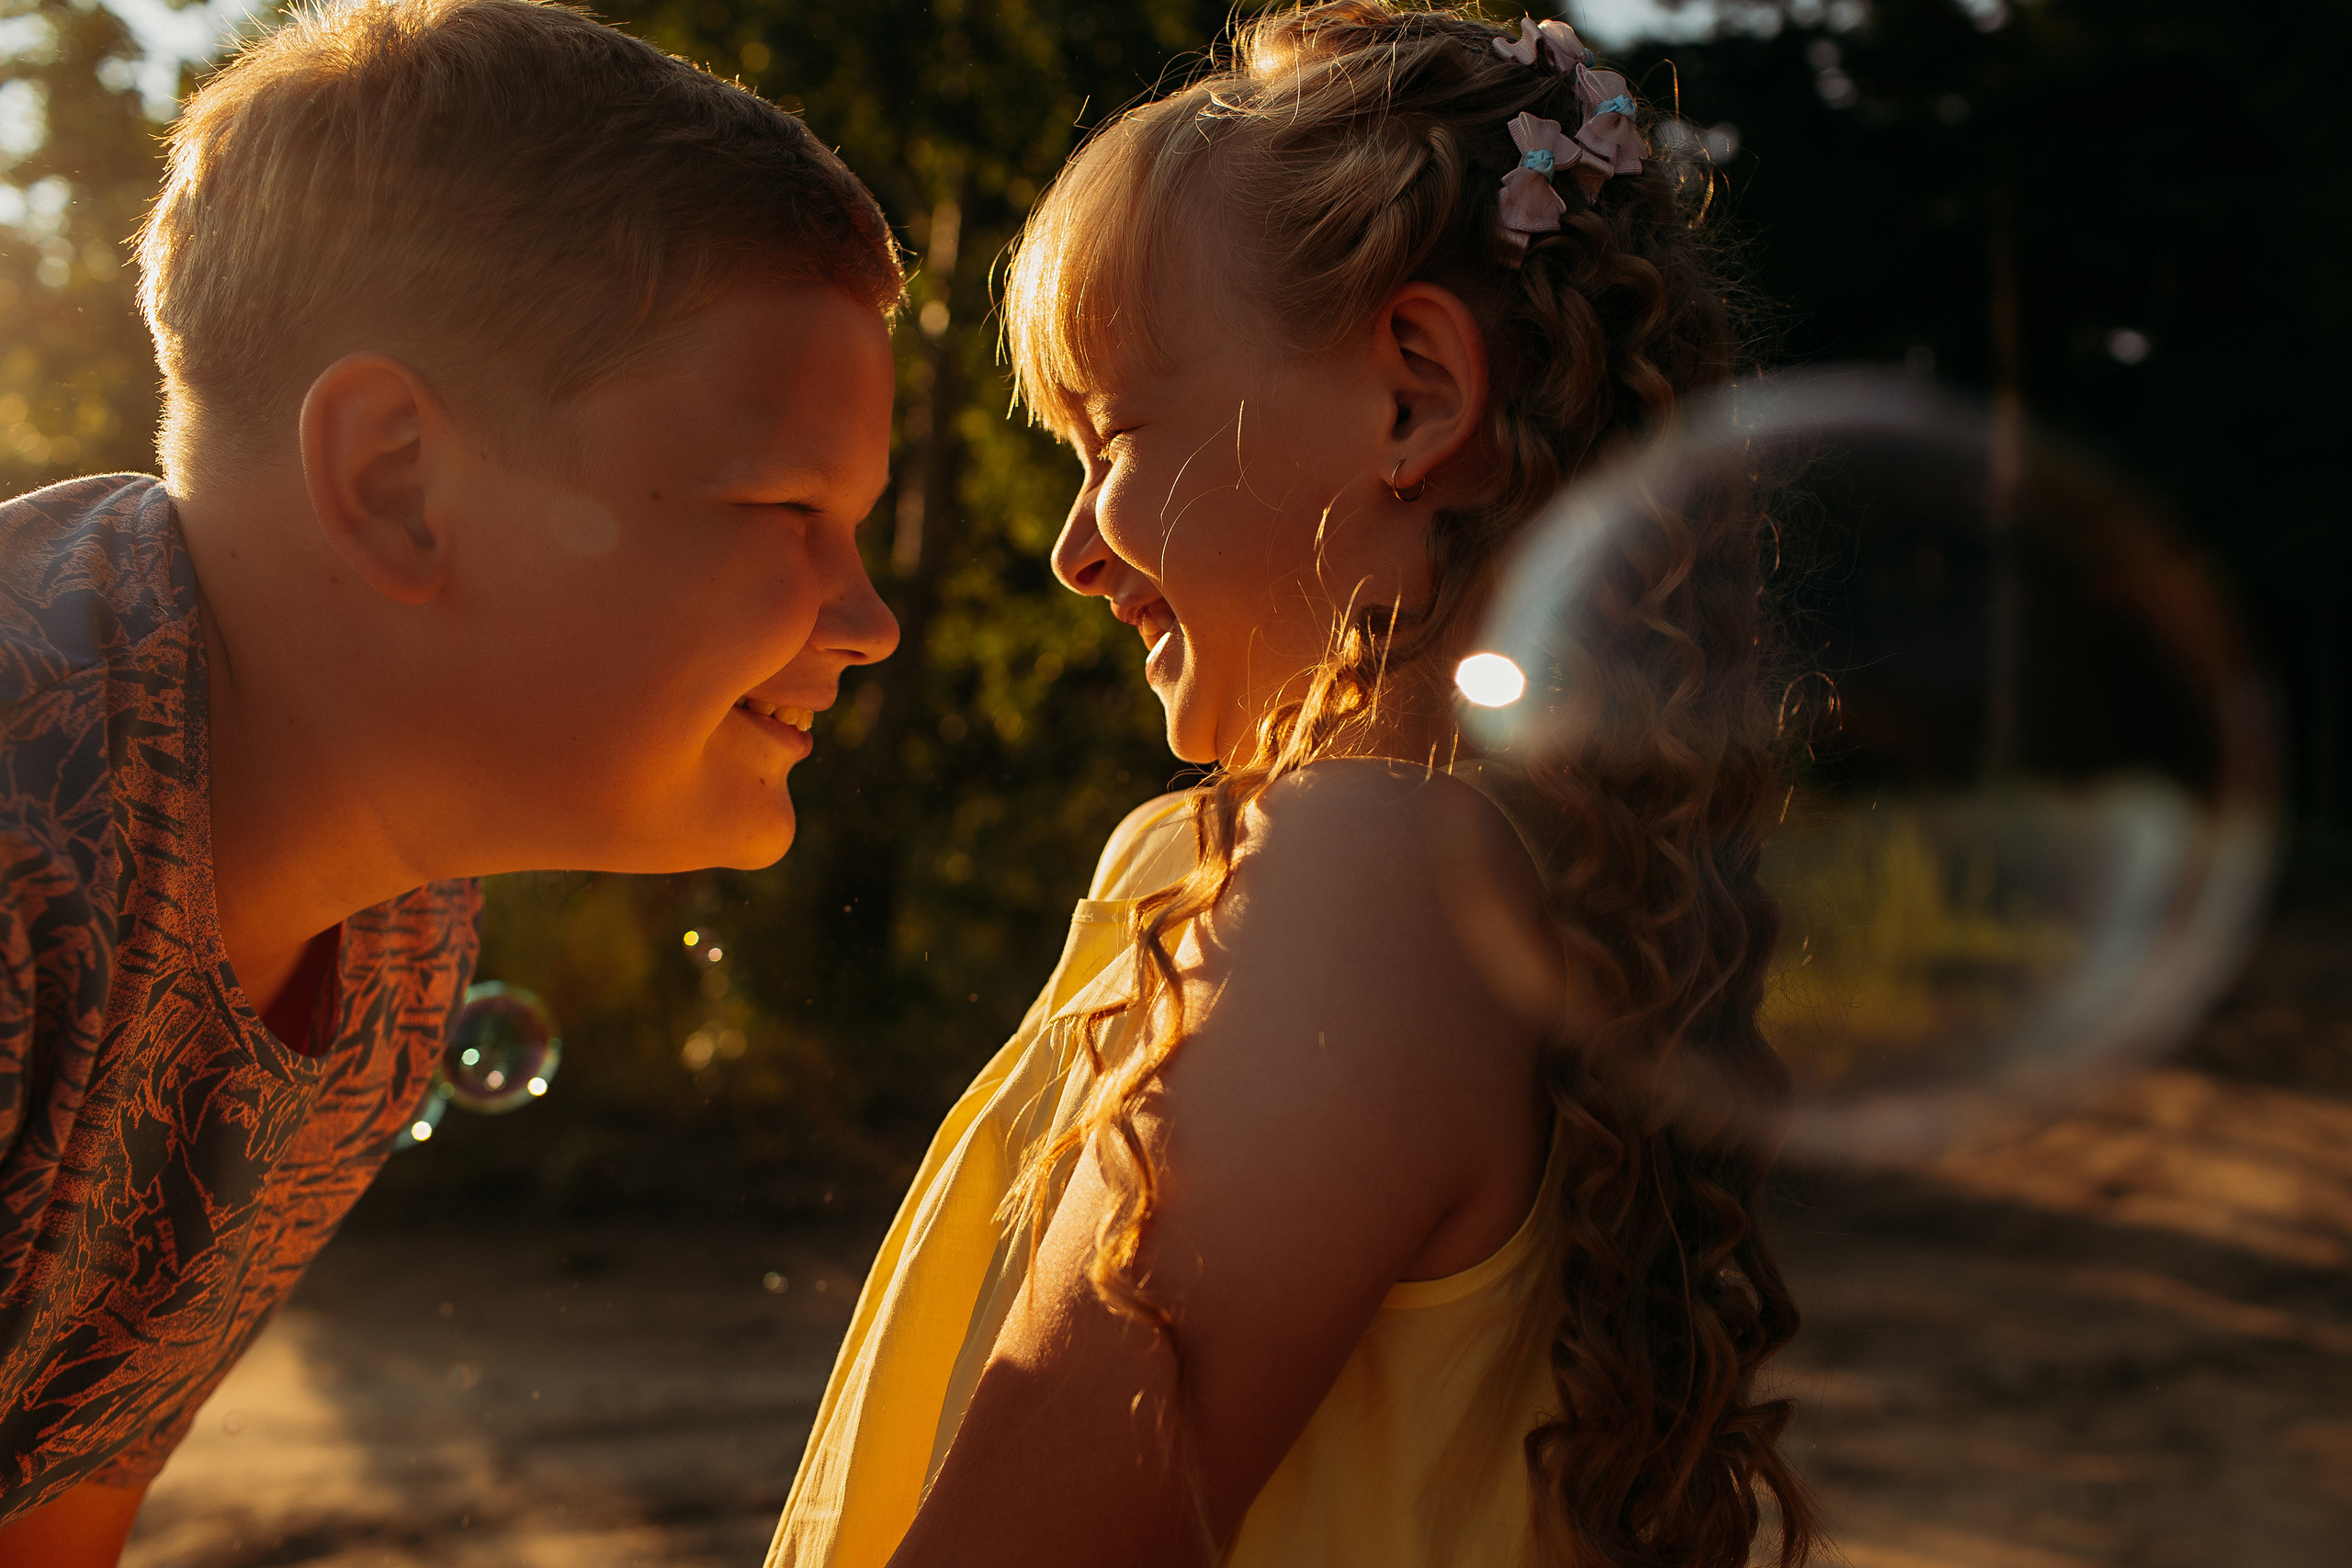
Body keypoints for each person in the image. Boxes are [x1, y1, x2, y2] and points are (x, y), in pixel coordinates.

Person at [771, 5, 1820, 1566]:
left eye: (1110, 433)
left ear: (1414, 394)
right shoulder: (1514, 885)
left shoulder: (1357, 886)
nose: (1071, 555)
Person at [0, 1, 902, 1558]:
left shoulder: (398, 948)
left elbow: (58, 1493)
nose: (868, 619)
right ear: (395, 482)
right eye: (784, 508)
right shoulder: (27, 826)